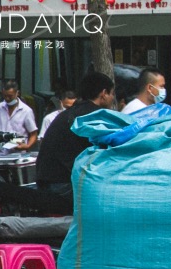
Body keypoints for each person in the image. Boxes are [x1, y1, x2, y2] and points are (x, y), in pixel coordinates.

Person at [33, 71, 116, 213]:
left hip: (45, 182)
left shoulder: (70, 113)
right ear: (103, 93)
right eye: (112, 93)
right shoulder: (95, 115)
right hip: (64, 187)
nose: (113, 98)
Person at [0, 79, 40, 152]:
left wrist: (27, 146)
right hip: (0, 152)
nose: (7, 99)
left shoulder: (26, 111)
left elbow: (33, 134)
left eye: (10, 96)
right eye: (5, 96)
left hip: (19, 152)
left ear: (17, 93)